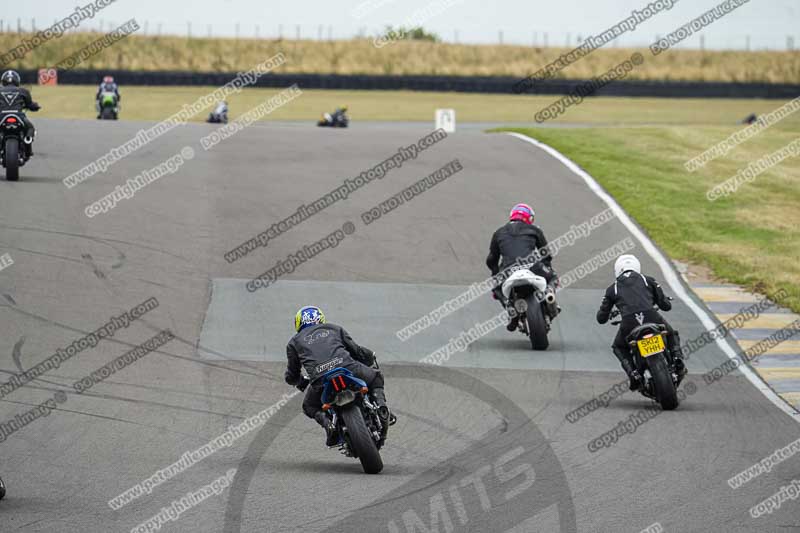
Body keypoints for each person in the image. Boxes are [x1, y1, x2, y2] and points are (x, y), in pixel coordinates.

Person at [285, 306, 393, 446]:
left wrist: (299, 381)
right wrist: (369, 357)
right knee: (375, 377)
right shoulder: (334, 328)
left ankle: (328, 425)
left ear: (298, 323)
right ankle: (381, 407)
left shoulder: (294, 342)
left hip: (321, 379)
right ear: (321, 318)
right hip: (348, 368)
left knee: (309, 406)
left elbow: (292, 374)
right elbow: (357, 351)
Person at [596, 254, 687, 391]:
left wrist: (608, 311)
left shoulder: (612, 289)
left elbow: (601, 319)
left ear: (617, 270)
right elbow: (666, 306)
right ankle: (677, 359)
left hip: (629, 323)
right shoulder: (648, 280)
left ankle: (633, 373)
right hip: (652, 317)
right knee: (671, 333)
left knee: (618, 346)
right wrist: (660, 300)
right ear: (637, 267)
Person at [486, 203, 558, 331]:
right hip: (532, 267)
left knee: (496, 285)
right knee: (553, 277)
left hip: (508, 270)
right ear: (529, 218)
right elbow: (546, 253)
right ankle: (549, 294)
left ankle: (509, 307)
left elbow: (492, 259)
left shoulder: (498, 232)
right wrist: (547, 267)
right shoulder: (535, 230)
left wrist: (495, 273)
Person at [0, 70, 40, 157]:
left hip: (1, 116)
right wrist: (36, 106)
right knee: (30, 128)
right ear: (17, 80)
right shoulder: (23, 91)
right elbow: (30, 105)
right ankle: (28, 144)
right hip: (19, 116)